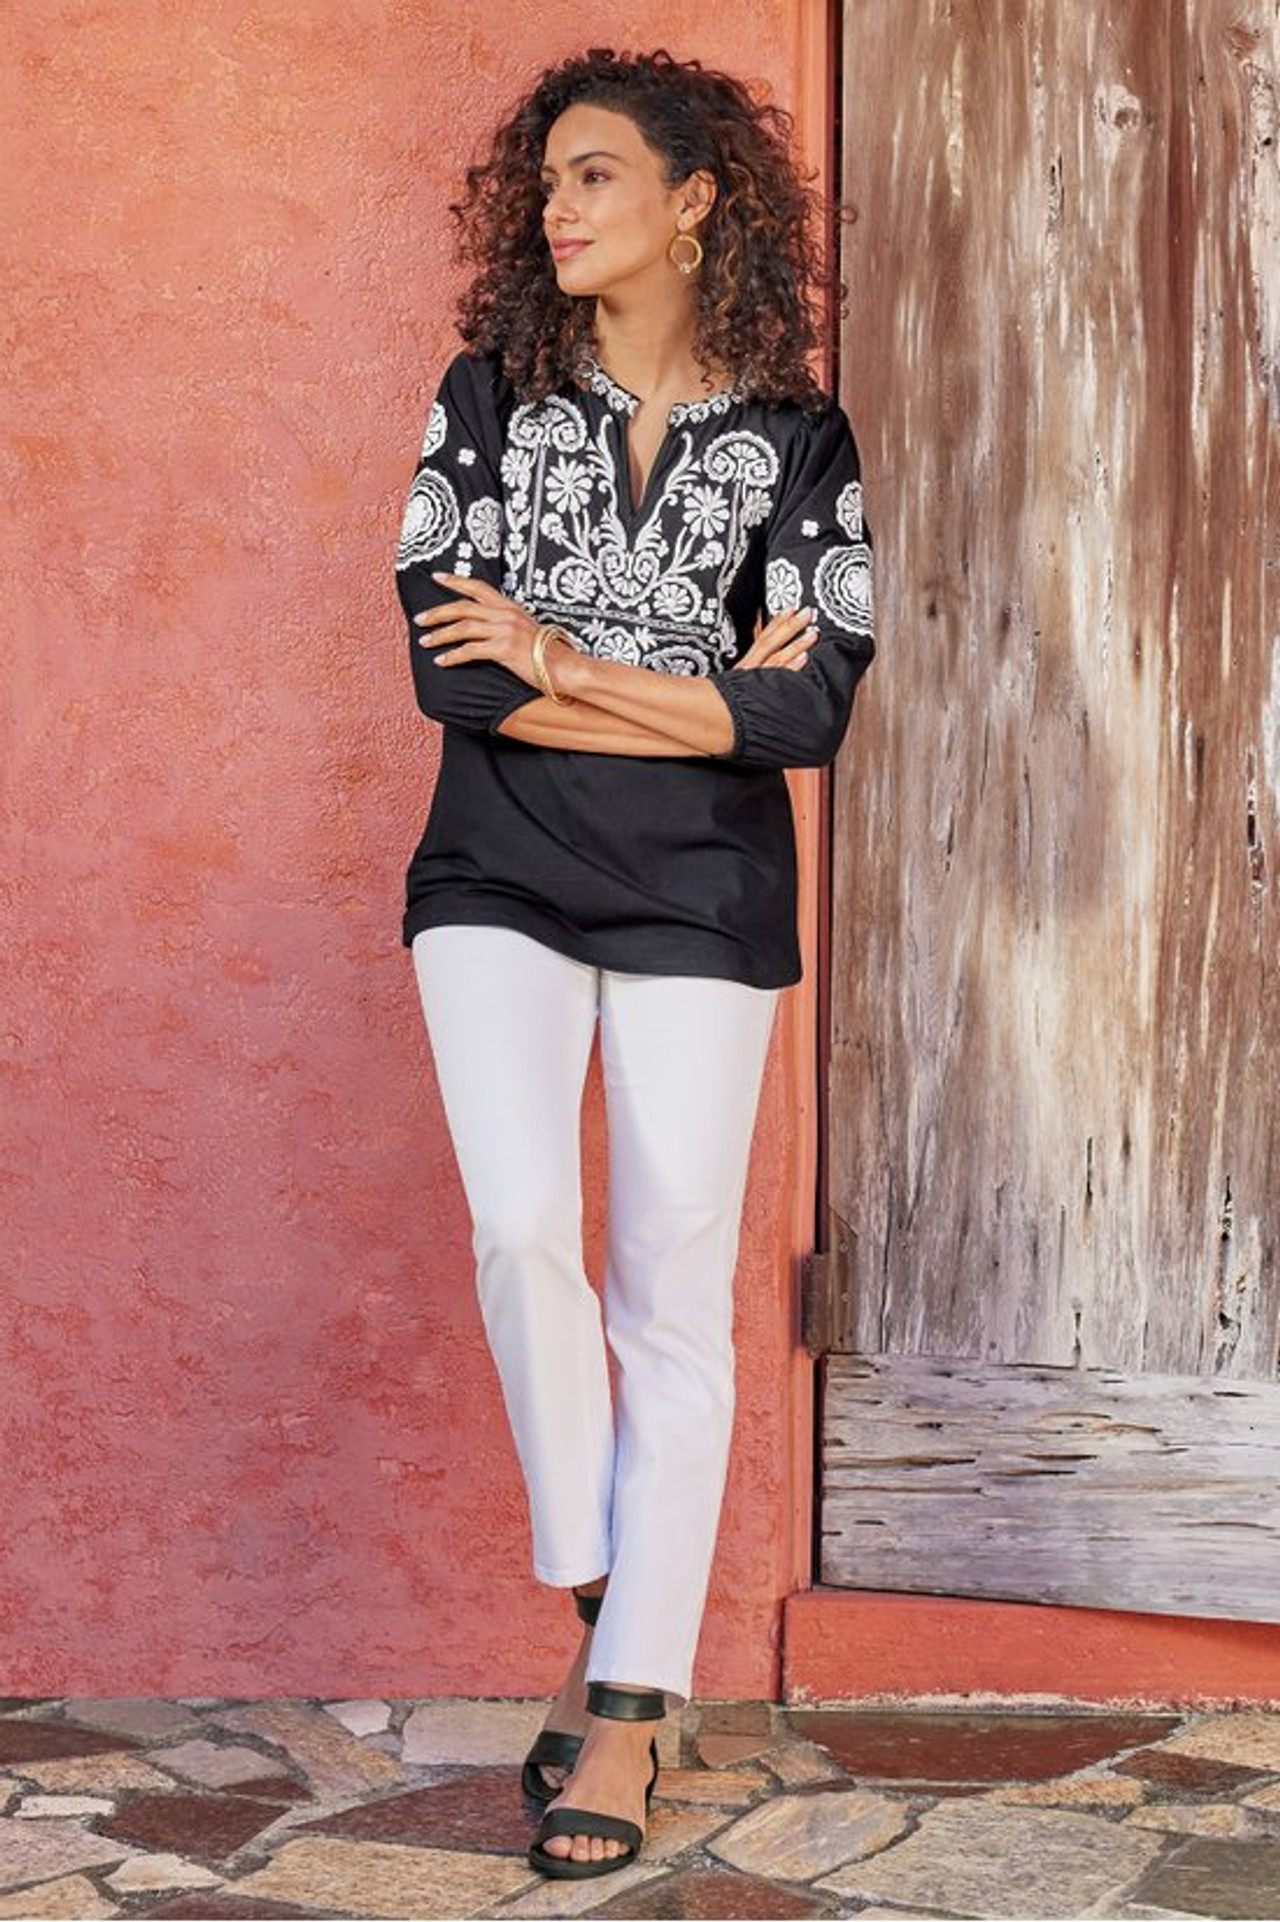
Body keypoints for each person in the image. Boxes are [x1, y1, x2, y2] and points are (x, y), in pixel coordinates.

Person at [394, 45, 875, 1883]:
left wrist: (566, 661)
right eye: (546, 182)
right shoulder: (485, 399)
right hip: (495, 875)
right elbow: (451, 672)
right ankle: (609, 1584)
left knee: (671, 1284)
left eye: (594, 175)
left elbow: (808, 713)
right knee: (522, 1225)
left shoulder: (802, 440)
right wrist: (696, 693)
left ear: (694, 201)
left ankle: (625, 1702)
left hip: (703, 903)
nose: (557, 207)